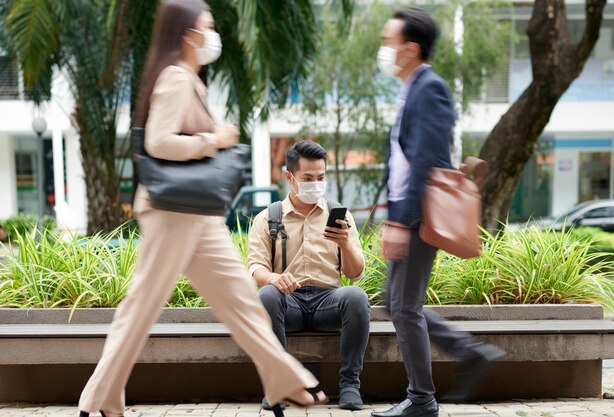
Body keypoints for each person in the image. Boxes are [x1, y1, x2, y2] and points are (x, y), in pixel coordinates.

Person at [77, 1, 326, 416]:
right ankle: (99, 398)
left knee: (240, 301)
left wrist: (212, 135)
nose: (214, 36)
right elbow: (158, 142)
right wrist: (214, 139)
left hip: (197, 214)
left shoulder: (188, 78)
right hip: (174, 211)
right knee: (144, 305)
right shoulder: (176, 77)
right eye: (207, 27)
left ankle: (284, 379)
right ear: (187, 34)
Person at [372, 7, 504, 417]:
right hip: (407, 213)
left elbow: (426, 163)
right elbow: (404, 163)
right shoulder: (413, 88)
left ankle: (422, 400)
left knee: (404, 307)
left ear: (410, 49)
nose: (384, 50)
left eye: (388, 42)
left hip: (416, 217)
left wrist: (399, 221)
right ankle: (470, 353)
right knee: (397, 305)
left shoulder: (429, 88)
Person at [248, 140, 370, 411]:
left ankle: (350, 385)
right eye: (308, 178)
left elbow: (356, 273)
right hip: (287, 302)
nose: (316, 183)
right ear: (290, 177)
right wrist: (274, 279)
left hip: (329, 301)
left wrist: (346, 243)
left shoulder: (340, 216)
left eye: (321, 177)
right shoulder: (268, 218)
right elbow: (256, 268)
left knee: (356, 297)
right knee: (267, 294)